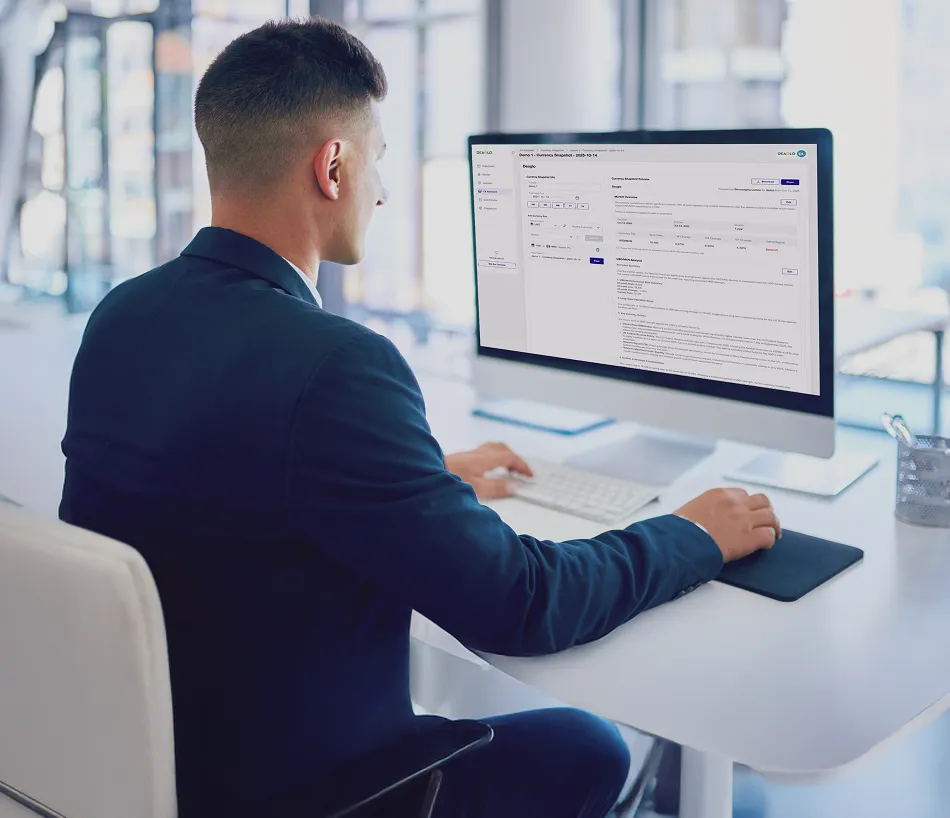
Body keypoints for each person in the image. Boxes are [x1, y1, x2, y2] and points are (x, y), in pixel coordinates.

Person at [59, 17, 781, 818]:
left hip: (155, 771)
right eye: (378, 160)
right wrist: (694, 534)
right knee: (591, 744)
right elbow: (522, 603)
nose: (382, 190)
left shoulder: (122, 316)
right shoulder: (336, 364)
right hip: (312, 793)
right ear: (333, 165)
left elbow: (224, 482)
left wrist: (419, 479)